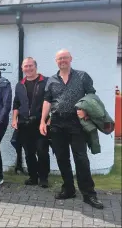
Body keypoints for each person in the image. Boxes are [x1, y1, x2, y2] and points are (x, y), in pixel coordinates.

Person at [40, 49, 103, 209]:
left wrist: (87, 111)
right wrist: (42, 121)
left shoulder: (82, 76)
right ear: (56, 61)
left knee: (81, 158)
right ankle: (68, 189)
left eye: (65, 58)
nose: (63, 61)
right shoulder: (51, 80)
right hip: (57, 123)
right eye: (60, 59)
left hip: (76, 123)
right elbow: (47, 102)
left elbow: (92, 96)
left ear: (71, 59)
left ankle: (89, 194)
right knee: (62, 158)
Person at [12, 57, 50, 188]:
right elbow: (16, 103)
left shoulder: (45, 82)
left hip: (40, 123)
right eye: (25, 66)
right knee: (28, 152)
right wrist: (14, 120)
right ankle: (33, 177)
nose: (28, 68)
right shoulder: (19, 84)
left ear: (35, 66)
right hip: (24, 124)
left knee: (42, 151)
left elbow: (51, 101)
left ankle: (44, 178)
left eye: (30, 66)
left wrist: (47, 120)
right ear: (22, 68)